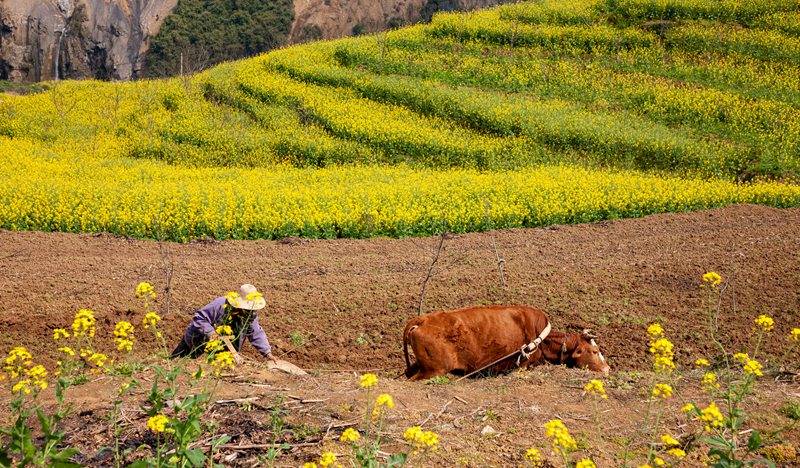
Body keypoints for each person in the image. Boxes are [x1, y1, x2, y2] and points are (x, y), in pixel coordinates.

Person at [171, 284, 277, 364]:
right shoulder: (220, 304)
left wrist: (267, 352)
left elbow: (255, 332)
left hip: (224, 348)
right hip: (198, 340)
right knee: (180, 363)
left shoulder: (250, 314)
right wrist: (212, 333)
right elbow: (199, 318)